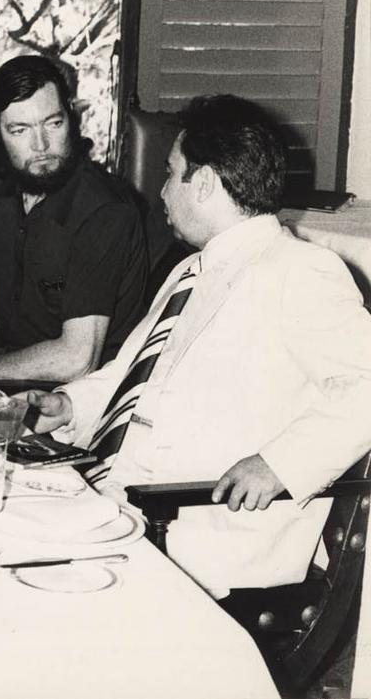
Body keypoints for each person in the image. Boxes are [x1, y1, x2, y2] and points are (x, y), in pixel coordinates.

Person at [27, 94, 371, 597]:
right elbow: (132, 377)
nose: (161, 193)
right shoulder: (191, 270)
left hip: (199, 523)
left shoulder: (299, 271)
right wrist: (69, 404)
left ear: (204, 182)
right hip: (123, 499)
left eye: (170, 174)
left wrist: (279, 464)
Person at [0, 55, 146, 381]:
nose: (41, 145)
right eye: (20, 130)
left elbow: (78, 359)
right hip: (13, 377)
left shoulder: (104, 210)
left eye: (53, 123)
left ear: (72, 117)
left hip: (81, 400)